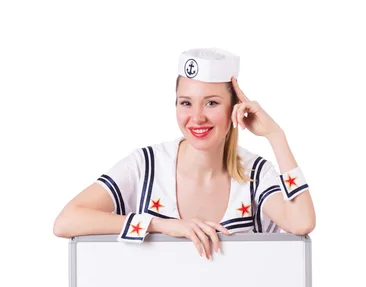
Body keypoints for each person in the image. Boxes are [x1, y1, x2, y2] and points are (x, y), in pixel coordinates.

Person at [53, 47, 315, 259]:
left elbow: (301, 222)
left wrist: (275, 136)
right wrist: (159, 225)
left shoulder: (255, 173)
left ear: (235, 108)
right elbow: (66, 222)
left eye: (212, 103)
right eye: (186, 103)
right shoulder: (145, 166)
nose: (197, 118)